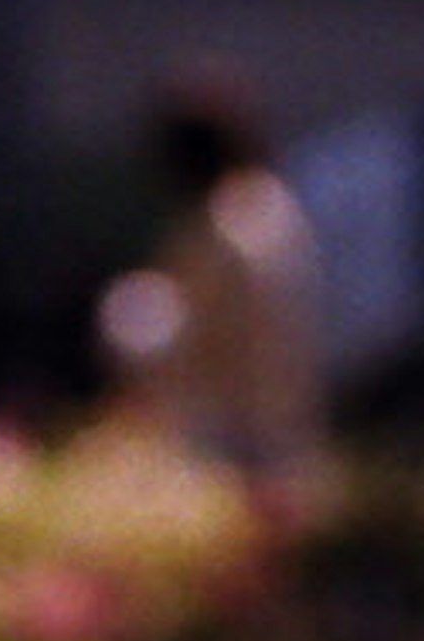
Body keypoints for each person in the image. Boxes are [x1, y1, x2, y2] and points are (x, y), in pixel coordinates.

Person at [96, 70, 330, 494]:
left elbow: (186, 348)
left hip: (235, 446)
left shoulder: (220, 230)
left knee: (130, 306)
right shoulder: (272, 204)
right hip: (287, 435)